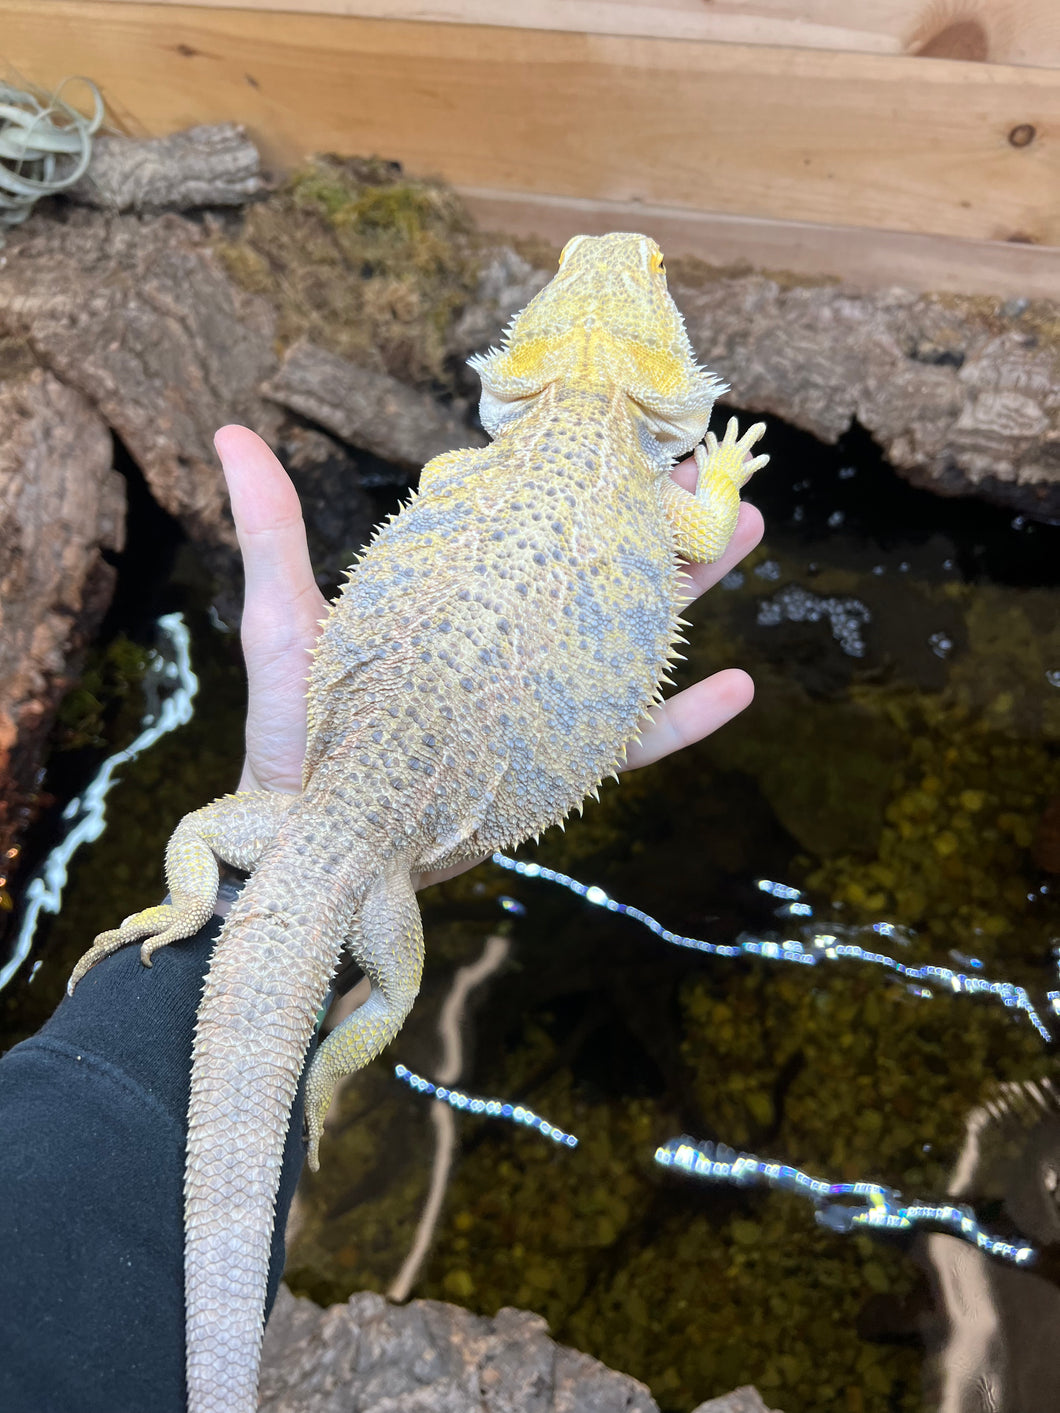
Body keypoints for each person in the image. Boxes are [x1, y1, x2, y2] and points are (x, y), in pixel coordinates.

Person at [0, 426, 763, 1411]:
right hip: (367, 865)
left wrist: (205, 907)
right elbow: (705, 522)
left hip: (291, 822)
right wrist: (730, 470)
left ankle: (201, 917)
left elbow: (444, 478)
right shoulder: (640, 493)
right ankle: (324, 1068)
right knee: (392, 986)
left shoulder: (483, 465)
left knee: (224, 857)